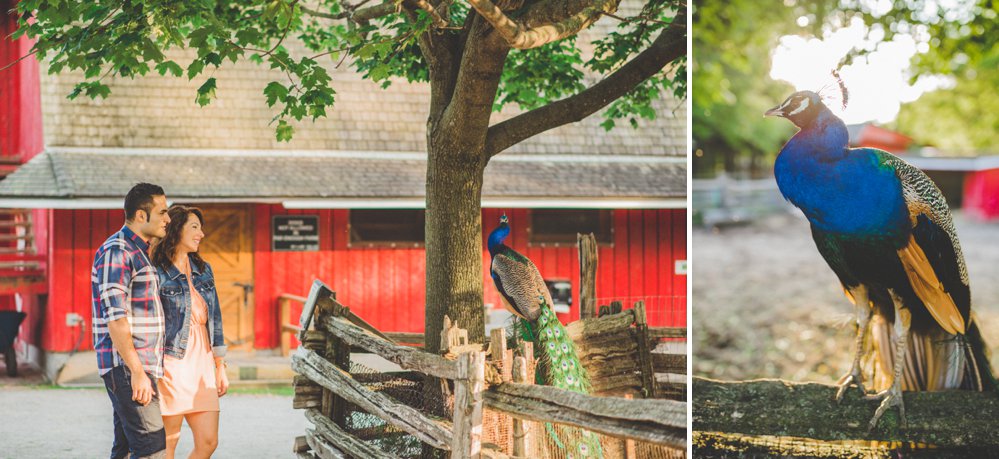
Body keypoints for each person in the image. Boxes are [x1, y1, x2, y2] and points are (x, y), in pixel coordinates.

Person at [92, 183, 171, 459]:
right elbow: (115, 318)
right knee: (153, 449)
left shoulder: (138, 252)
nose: (168, 219)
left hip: (138, 366)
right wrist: (137, 371)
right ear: (140, 215)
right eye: (162, 212)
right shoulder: (119, 250)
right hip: (128, 366)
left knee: (124, 450)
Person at [149, 205, 229, 459]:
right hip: (172, 362)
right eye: (194, 227)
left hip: (202, 363)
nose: (201, 234)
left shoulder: (204, 270)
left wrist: (220, 365)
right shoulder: (157, 271)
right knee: (167, 445)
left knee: (208, 442)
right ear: (176, 230)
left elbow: (215, 319)